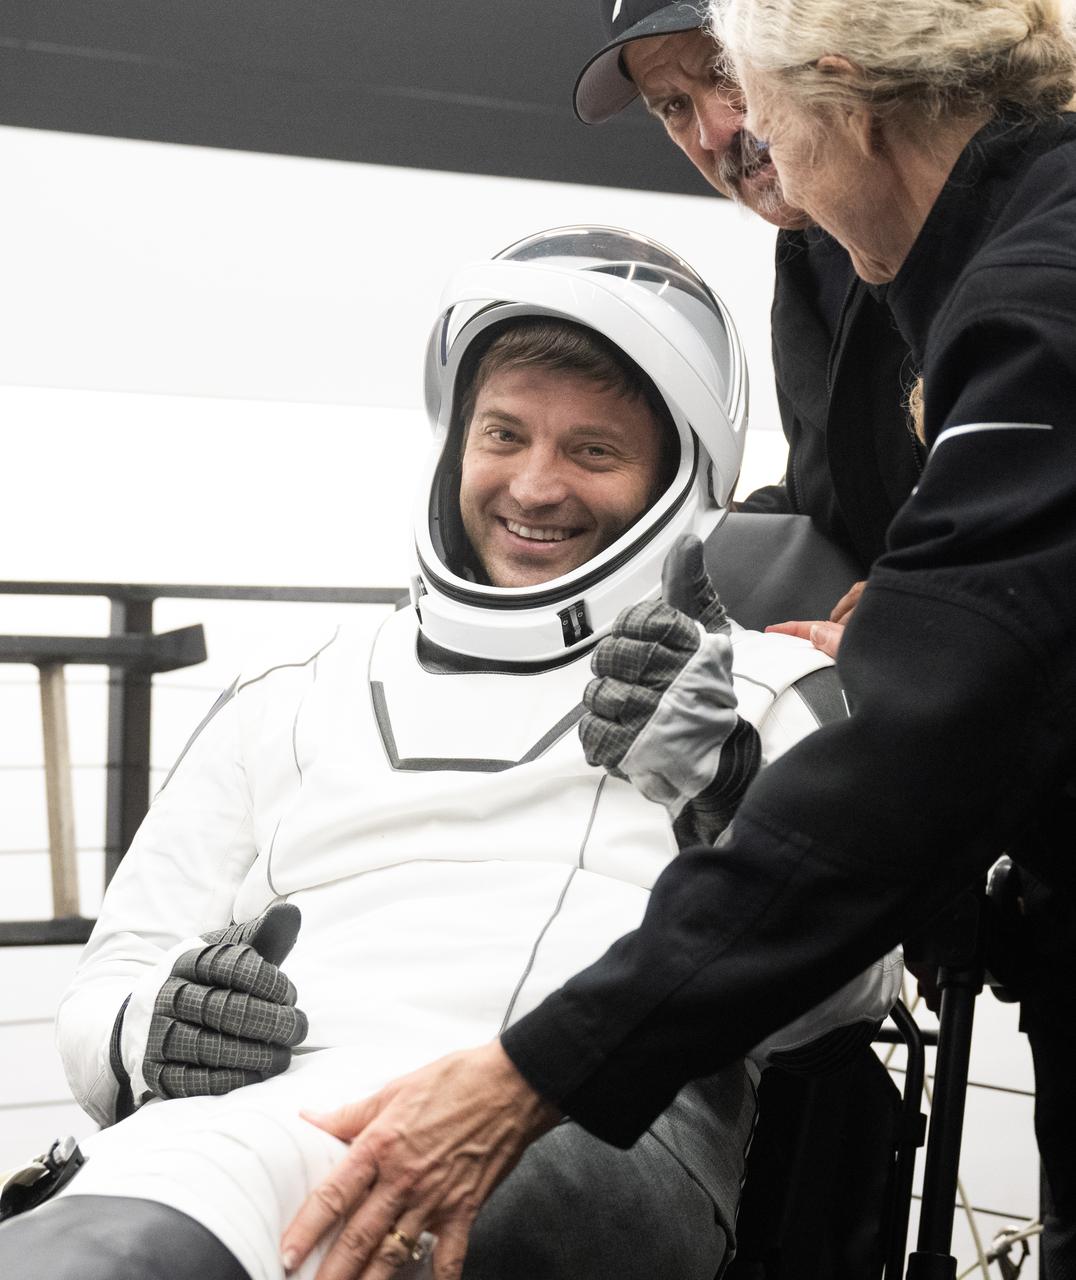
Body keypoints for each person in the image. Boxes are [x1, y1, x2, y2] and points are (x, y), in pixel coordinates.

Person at [274, 5, 1076, 1280]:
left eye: (737, 86)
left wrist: (529, 1075)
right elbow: (891, 530)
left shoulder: (1037, 290)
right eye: (504, 436)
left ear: (840, 90)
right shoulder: (878, 266)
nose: (730, 140)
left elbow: (913, 757)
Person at [0, 228, 897, 1280]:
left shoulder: (754, 689)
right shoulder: (290, 684)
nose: (533, 484)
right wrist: (152, 1026)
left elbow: (845, 999)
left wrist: (722, 784)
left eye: (592, 451)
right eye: (502, 434)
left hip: (577, 1132)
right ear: (451, 441)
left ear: (679, 478)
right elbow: (112, 978)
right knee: (85, 1250)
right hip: (254, 1125)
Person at [573, 0, 926, 587]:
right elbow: (835, 499)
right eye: (675, 107)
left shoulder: (997, 217)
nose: (715, 131)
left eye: (727, 74)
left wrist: (934, 591)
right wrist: (656, 555)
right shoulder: (808, 252)